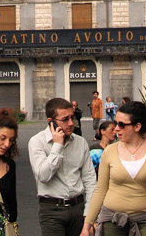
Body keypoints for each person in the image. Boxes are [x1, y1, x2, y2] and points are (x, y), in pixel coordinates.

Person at [81, 101, 146, 236]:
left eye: (121, 125)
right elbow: (100, 189)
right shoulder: (110, 151)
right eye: (115, 124)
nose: (116, 129)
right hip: (112, 218)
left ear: (137, 126)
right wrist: (87, 224)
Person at [29, 97, 98, 236]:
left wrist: (89, 217)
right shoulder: (37, 142)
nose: (71, 123)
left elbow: (90, 181)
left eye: (72, 117)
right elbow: (43, 176)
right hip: (52, 210)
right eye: (65, 119)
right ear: (51, 121)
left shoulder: (80, 142)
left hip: (79, 207)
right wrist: (57, 146)